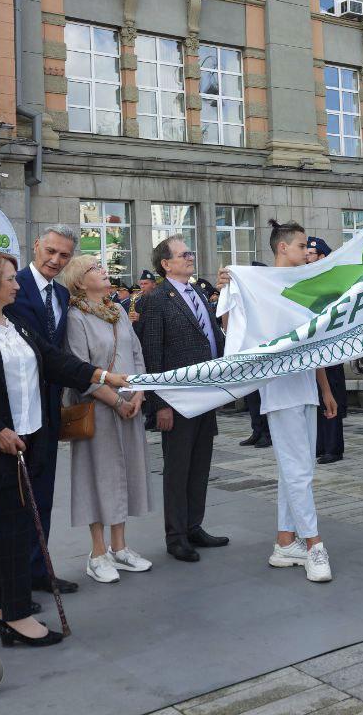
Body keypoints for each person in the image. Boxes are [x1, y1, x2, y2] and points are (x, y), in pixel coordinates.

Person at [0, 251, 128, 647]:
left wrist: (104, 375)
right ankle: (17, 616)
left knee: (9, 526)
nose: (17, 284)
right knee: (13, 525)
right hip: (0, 443)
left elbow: (54, 362)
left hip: (31, 434)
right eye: (9, 278)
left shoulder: (15, 322)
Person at [224, 220, 338, 583]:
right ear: (282, 248)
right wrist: (229, 289)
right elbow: (232, 328)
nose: (308, 252)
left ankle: (285, 542)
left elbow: (311, 343)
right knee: (298, 469)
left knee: (297, 468)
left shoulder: (303, 286)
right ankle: (314, 544)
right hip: (279, 390)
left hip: (304, 387)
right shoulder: (258, 286)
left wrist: (325, 389)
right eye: (302, 245)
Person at [58, 255, 154, 584]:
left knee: (124, 474)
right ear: (80, 281)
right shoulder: (76, 317)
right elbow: (79, 368)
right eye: (95, 268)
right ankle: (97, 553)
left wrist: (139, 392)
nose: (103, 271)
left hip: (131, 406)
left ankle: (120, 546)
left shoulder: (117, 313)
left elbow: (137, 354)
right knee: (96, 477)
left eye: (102, 266)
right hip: (97, 410)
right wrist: (115, 400)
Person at [137, 236, 228, 562]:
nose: (191, 257)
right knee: (177, 469)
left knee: (200, 465)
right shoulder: (157, 299)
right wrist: (159, 404)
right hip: (177, 401)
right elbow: (152, 354)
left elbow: (211, 336)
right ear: (166, 263)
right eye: (184, 254)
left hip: (206, 396)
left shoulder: (198, 293)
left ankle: (194, 526)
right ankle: (176, 536)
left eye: (190, 252)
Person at [4, 225, 81, 595]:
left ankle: (39, 570)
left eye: (64, 255)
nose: (55, 260)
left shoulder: (63, 293)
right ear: (35, 245)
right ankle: (14, 580)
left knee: (44, 492)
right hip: (15, 411)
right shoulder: (11, 285)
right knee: (16, 500)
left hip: (48, 407)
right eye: (50, 251)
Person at [305, 236, 348, 465]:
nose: (306, 258)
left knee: (332, 392)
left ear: (322, 256)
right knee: (317, 394)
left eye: (310, 254)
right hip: (315, 348)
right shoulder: (308, 280)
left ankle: (334, 446)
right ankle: (321, 444)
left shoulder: (331, 282)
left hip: (330, 347)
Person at [239, 260, 271, 448]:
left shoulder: (268, 297)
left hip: (264, 355)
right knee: (253, 396)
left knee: (264, 395)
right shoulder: (248, 297)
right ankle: (257, 429)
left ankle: (267, 433)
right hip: (249, 352)